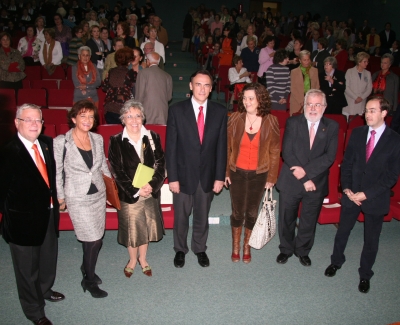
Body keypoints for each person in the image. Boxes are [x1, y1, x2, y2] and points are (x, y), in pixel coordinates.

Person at [325, 96, 400, 294]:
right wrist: (347, 188)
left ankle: (365, 274)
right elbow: (347, 163)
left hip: (375, 197)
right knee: (342, 232)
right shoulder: (357, 133)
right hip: (351, 194)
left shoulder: (395, 140)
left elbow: (391, 176)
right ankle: (336, 261)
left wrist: (366, 194)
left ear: (384, 113)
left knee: (371, 240)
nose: (367, 114)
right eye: (367, 110)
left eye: (372, 110)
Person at [0, 104, 64, 325]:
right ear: (17, 123)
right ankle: (34, 311)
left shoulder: (46, 144)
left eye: (38, 120)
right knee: (27, 271)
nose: (34, 124)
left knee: (47, 260)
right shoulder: (8, 151)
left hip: (47, 215)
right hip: (22, 223)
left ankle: (44, 290)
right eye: (28, 120)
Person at [166, 70, 227, 269]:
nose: (202, 88)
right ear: (190, 86)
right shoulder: (176, 110)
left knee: (202, 215)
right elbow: (171, 147)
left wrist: (219, 177)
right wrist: (172, 178)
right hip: (182, 176)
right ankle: (180, 250)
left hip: (208, 175)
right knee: (181, 217)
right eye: (198, 84)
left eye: (207, 85)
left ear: (211, 89)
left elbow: (221, 147)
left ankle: (200, 248)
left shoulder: (219, 111)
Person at [53, 100, 110, 299]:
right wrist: (60, 196)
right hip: (77, 196)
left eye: (91, 116)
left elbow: (102, 165)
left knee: (96, 239)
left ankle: (87, 265)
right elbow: (57, 172)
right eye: (83, 116)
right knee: (93, 240)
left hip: (98, 195)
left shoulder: (97, 139)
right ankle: (89, 279)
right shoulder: (62, 142)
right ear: (73, 118)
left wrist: (113, 187)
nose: (87, 120)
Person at [276, 89, 339, 267]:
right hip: (291, 180)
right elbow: (287, 152)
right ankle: (286, 249)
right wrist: (304, 179)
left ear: (324, 107)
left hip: (316, 182)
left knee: (309, 220)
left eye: (317, 104)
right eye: (309, 104)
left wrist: (306, 175)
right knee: (286, 218)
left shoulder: (332, 126)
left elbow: (329, 157)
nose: (312, 108)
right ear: (304, 106)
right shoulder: (293, 122)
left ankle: (302, 251)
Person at [108, 100, 165, 278]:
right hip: (130, 194)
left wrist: (152, 185)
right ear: (123, 119)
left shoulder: (152, 137)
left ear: (143, 118)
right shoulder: (116, 141)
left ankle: (143, 259)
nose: (134, 120)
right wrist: (136, 190)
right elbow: (117, 171)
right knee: (132, 230)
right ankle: (132, 260)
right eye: (129, 116)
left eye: (138, 115)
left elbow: (160, 164)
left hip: (149, 192)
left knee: (146, 228)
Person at [225, 83, 280, 263]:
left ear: (260, 100)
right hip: (237, 172)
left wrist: (272, 177)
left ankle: (246, 246)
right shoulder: (235, 118)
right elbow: (227, 148)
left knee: (251, 212)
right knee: (237, 211)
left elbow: (274, 151)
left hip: (259, 174)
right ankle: (235, 245)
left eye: (251, 98)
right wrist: (226, 172)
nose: (247, 102)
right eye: (244, 98)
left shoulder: (271, 121)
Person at [135, 52, 172, 125]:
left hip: (146, 111)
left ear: (148, 61)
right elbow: (169, 97)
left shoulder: (142, 73)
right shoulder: (167, 76)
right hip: (162, 112)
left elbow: (139, 96)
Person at [102, 47, 137, 124]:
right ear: (129, 61)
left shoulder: (111, 71)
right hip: (123, 108)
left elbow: (104, 87)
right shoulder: (131, 73)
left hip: (109, 107)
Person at [290, 50, 320, 115]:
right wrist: (301, 101)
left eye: (308, 59)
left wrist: (312, 100)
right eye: (304, 60)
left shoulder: (315, 70)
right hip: (297, 101)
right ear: (300, 61)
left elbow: (317, 86)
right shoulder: (294, 72)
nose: (307, 62)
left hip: (311, 102)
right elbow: (293, 88)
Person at [343, 52, 372, 117]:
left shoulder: (368, 73)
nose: (367, 63)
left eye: (367, 61)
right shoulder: (349, 71)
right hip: (350, 101)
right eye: (365, 61)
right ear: (359, 62)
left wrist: (361, 98)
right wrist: (356, 97)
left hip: (361, 102)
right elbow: (346, 87)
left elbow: (369, 88)